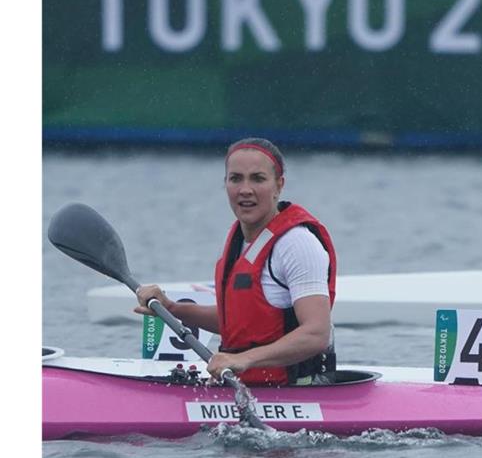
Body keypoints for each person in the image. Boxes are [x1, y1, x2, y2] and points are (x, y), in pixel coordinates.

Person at [134, 138, 337, 386]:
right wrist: (172, 309)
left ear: (279, 186)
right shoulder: (239, 241)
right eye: (236, 178)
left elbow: (316, 334)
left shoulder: (297, 245)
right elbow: (240, 324)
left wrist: (243, 359)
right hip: (246, 385)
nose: (245, 189)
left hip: (298, 388)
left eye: (258, 179)